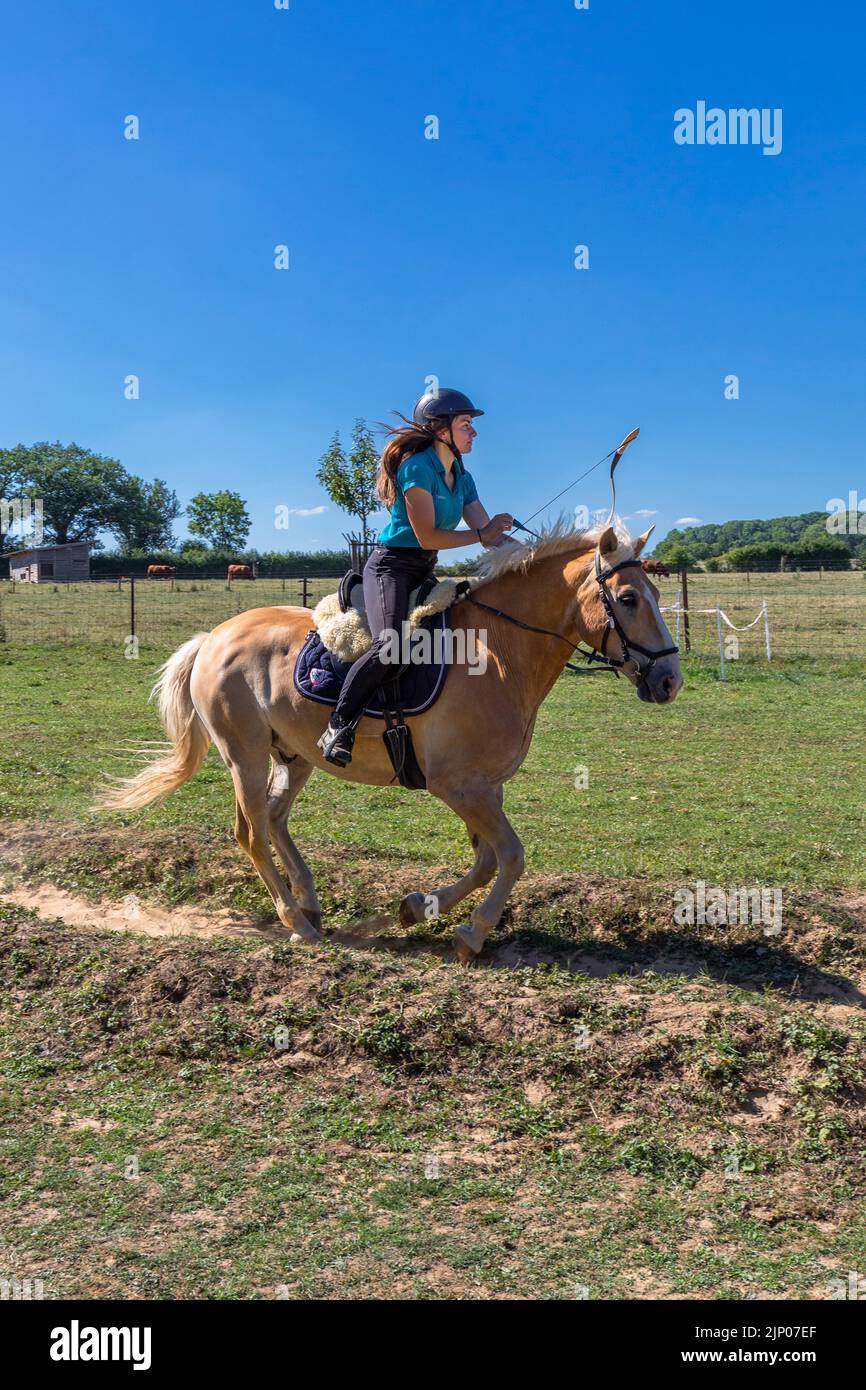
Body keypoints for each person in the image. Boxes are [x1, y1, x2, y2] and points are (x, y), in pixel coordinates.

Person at [316, 387, 514, 765]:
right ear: (442, 430)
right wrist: (482, 534)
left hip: (424, 568)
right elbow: (428, 535)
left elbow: (488, 535)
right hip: (391, 567)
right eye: (466, 425)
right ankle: (339, 724)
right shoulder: (416, 467)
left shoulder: (462, 474)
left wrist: (525, 552)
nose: (474, 433)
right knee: (389, 646)